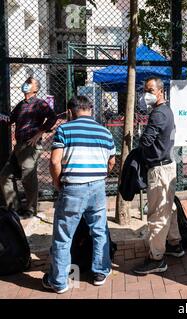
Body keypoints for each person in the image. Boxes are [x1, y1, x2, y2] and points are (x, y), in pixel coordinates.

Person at [42, 96, 116, 294]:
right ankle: (100, 272)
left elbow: (55, 162)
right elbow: (111, 162)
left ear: (69, 111)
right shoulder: (105, 131)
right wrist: (99, 177)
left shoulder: (65, 130)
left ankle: (59, 282)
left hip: (72, 188)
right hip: (98, 187)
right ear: (90, 109)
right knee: (99, 230)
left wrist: (58, 183)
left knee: (63, 235)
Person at [133, 77, 183, 275]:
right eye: (146, 90)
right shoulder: (165, 111)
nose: (147, 94)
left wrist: (140, 140)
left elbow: (146, 141)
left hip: (160, 169)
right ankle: (174, 243)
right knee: (168, 209)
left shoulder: (158, 115)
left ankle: (156, 258)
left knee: (157, 214)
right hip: (166, 166)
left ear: (161, 92)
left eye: (151, 90)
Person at [0, 76, 57, 219]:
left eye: (28, 83)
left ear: (35, 89)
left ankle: (30, 210)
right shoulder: (20, 104)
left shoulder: (40, 103)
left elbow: (53, 117)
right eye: (25, 82)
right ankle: (13, 209)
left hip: (30, 146)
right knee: (5, 176)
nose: (25, 85)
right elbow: (10, 120)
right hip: (18, 146)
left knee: (28, 177)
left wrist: (40, 132)